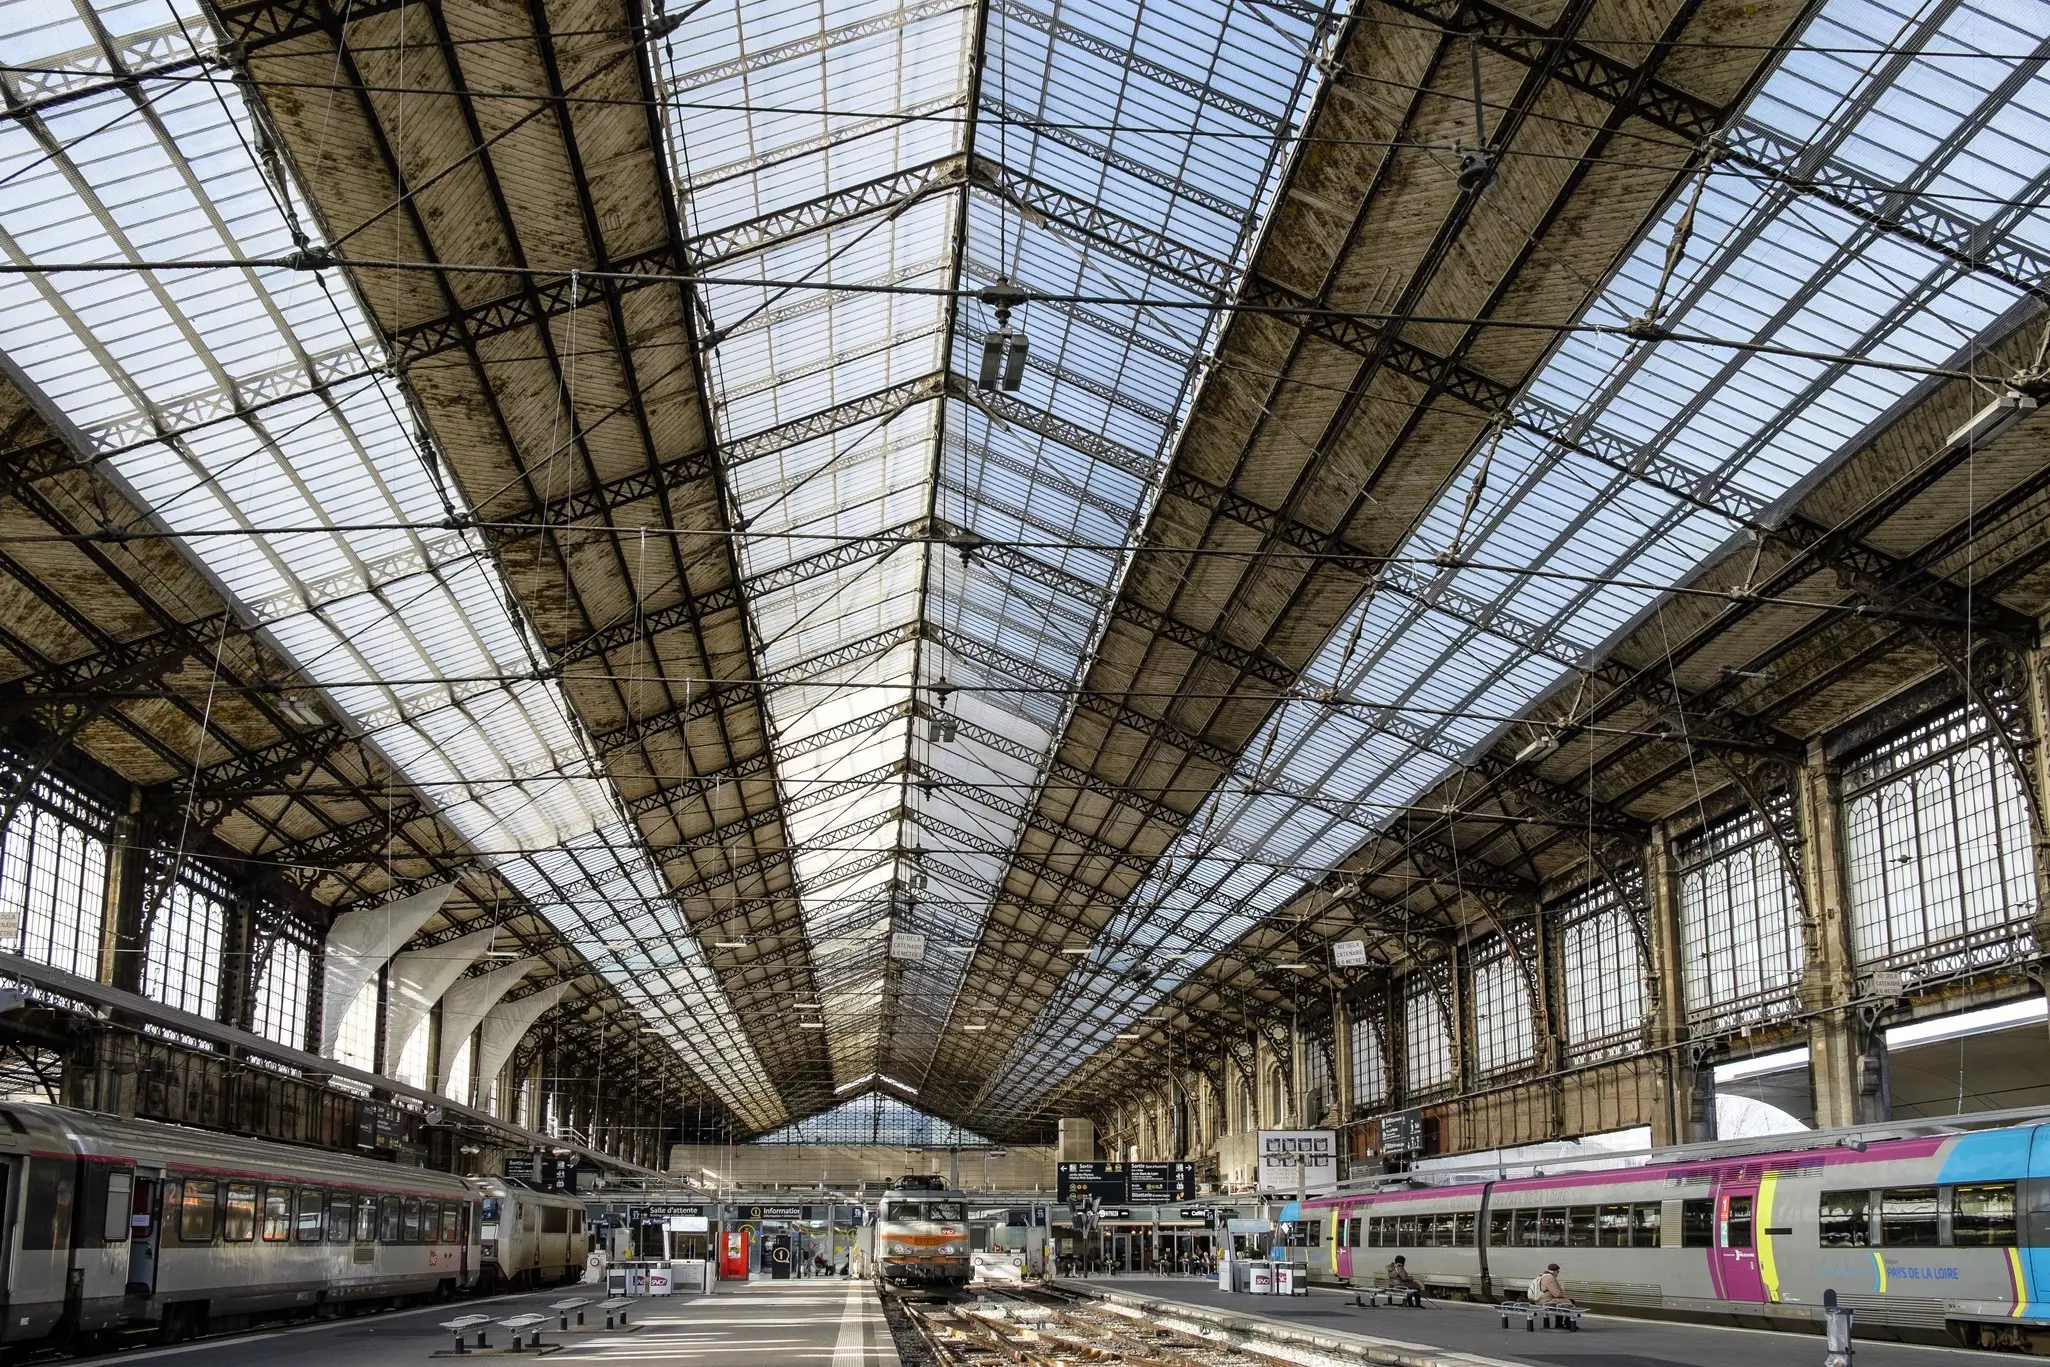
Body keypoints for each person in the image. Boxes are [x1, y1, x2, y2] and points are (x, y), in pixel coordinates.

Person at [1528, 1263, 1577, 1329]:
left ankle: (1559, 1323)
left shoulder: (1543, 1276)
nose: (1558, 1273)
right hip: (1545, 1301)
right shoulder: (1550, 1278)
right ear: (1554, 1272)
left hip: (1539, 1300)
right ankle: (1568, 1324)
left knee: (1561, 1303)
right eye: (1558, 1272)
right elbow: (1557, 1294)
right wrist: (1564, 1295)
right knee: (1570, 1302)